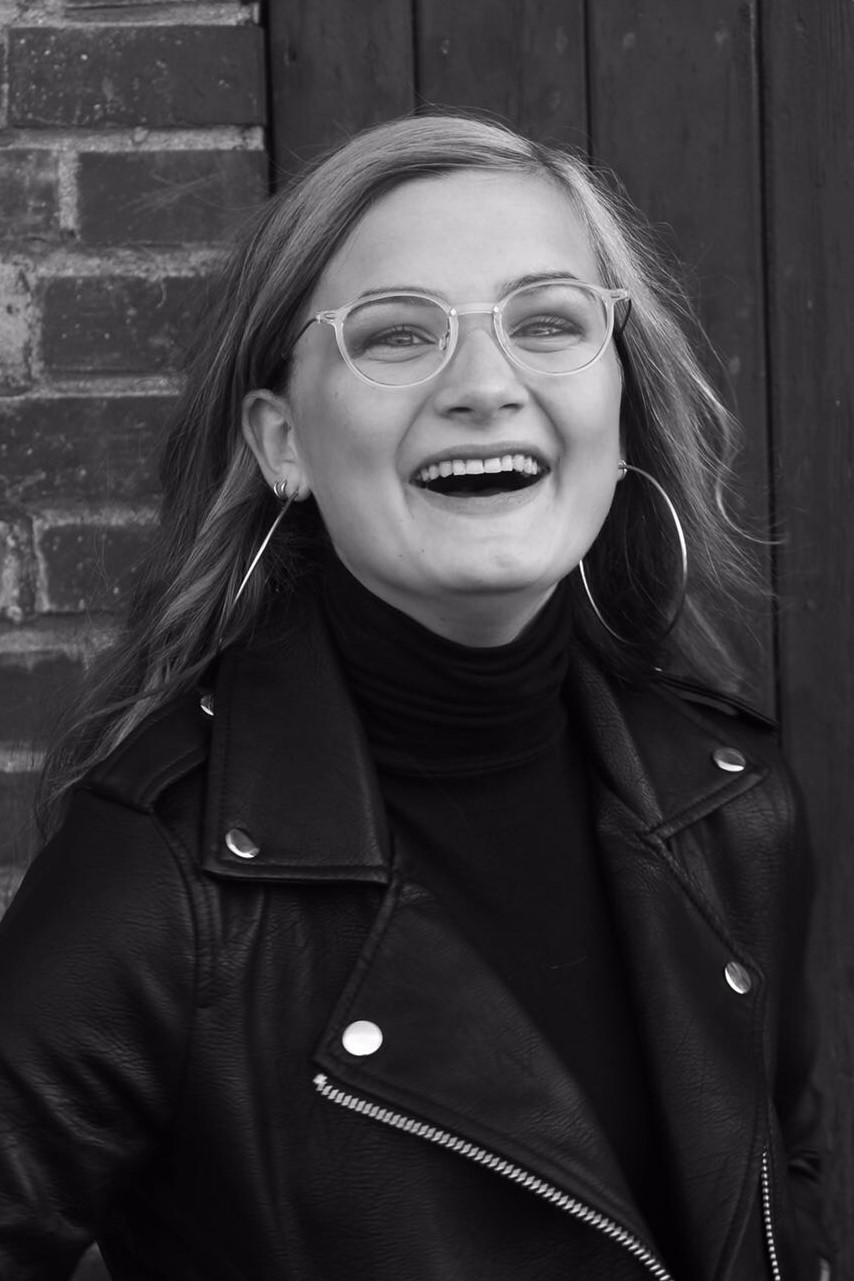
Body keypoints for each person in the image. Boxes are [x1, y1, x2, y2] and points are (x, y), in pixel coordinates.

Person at [0, 114, 831, 1280]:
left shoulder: (731, 804)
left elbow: (785, 1184)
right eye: (396, 335)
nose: (485, 386)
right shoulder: (158, 883)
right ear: (283, 443)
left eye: (547, 322)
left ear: (619, 408)